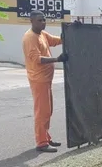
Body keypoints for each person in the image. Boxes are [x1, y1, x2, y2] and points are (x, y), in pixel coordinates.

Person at [22, 10, 68, 153]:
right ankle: (41, 142)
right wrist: (57, 59)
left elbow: (57, 40)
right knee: (42, 111)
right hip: (38, 79)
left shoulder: (42, 35)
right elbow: (38, 59)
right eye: (39, 20)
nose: (43, 23)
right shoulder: (30, 38)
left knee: (48, 110)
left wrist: (71, 31)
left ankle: (46, 137)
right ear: (32, 21)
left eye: (44, 20)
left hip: (46, 79)